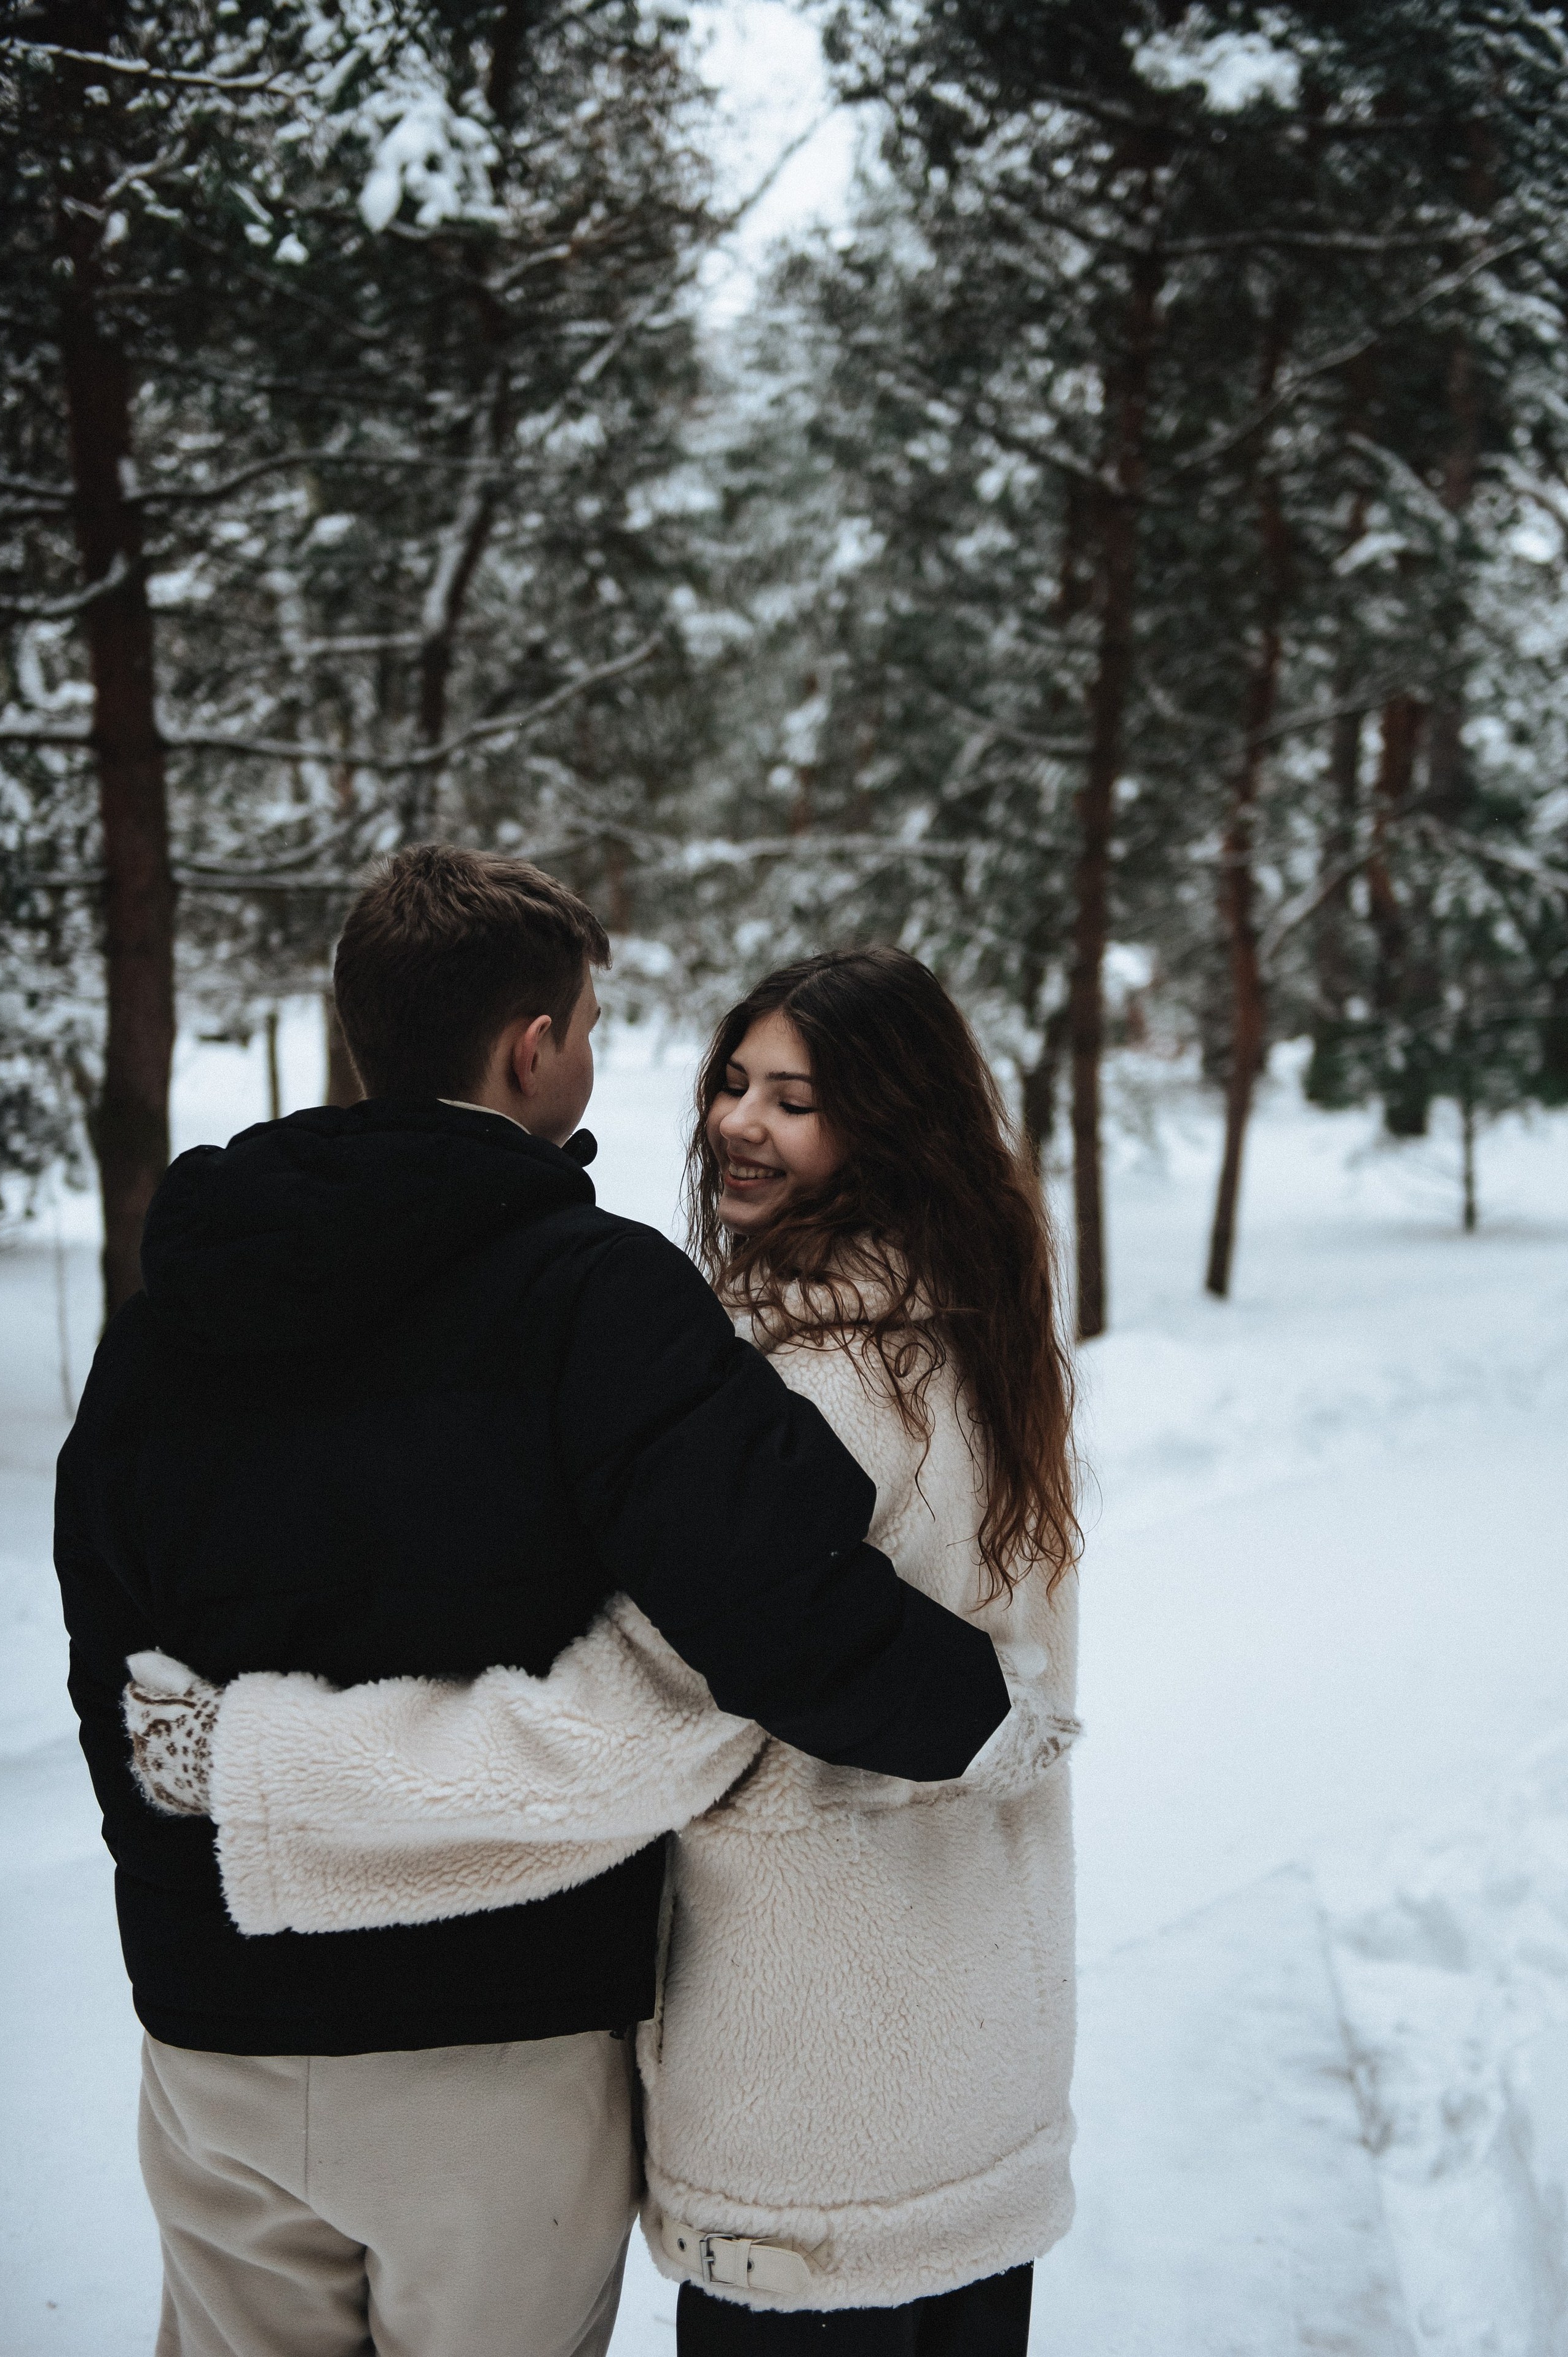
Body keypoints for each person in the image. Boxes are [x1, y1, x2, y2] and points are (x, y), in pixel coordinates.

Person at [56, 854, 1012, 2357]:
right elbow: (772, 1600)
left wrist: (179, 1897)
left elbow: (101, 1629)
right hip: (491, 2040)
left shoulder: (177, 1296)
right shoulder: (594, 1291)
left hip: (212, 2030)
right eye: (583, 1023)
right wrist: (977, 1708)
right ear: (531, 1045)